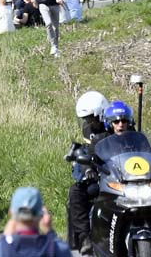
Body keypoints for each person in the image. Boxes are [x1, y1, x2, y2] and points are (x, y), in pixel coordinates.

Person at [65, 91, 110, 255]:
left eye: (91, 118)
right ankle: (85, 237)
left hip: (120, 174)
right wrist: (88, 169)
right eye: (86, 118)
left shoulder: (117, 124)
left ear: (102, 113)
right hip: (99, 172)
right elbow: (87, 152)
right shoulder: (88, 130)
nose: (88, 122)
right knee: (76, 191)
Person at [0, 186, 72, 257]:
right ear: (41, 214)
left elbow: (1, 246)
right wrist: (50, 232)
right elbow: (61, 249)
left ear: (11, 212)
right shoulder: (58, 249)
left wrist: (4, 237)